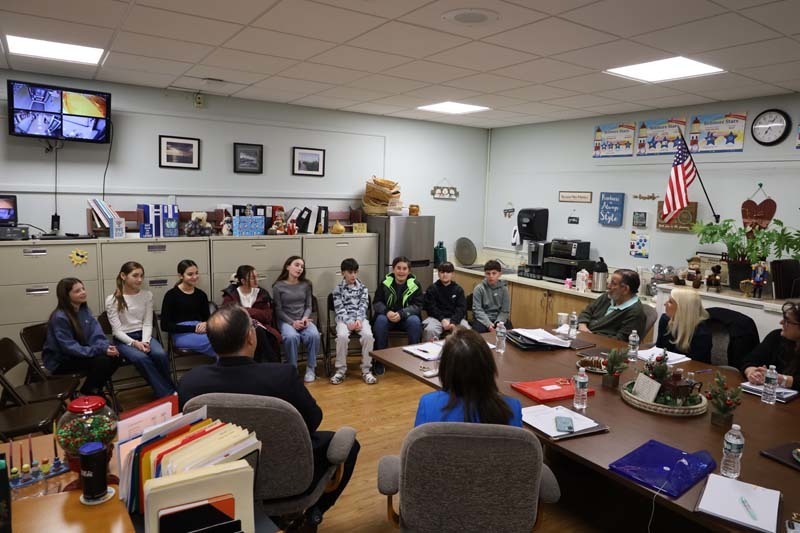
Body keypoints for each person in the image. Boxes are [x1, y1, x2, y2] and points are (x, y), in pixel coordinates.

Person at [177, 305, 360, 529]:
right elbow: (313, 420)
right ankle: (313, 514)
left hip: (221, 480)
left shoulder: (190, 383)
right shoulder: (281, 376)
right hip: (288, 475)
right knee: (349, 445)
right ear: (250, 337)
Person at [414, 328, 521, 426]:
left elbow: (418, 441)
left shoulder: (428, 404)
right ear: (488, 366)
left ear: (445, 368)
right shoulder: (512, 408)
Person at [105, 261, 175, 398]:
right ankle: (169, 394)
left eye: (141, 276)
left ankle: (169, 390)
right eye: (135, 275)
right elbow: (117, 331)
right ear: (123, 276)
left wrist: (145, 341)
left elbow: (148, 323)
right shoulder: (112, 299)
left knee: (160, 354)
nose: (140, 279)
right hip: (124, 339)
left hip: (144, 335)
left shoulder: (147, 295)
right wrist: (134, 343)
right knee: (140, 358)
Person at [43, 277, 120, 395]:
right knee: (102, 361)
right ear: (66, 295)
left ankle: (92, 389)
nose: (83, 292)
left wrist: (105, 346)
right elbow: (69, 347)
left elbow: (96, 333)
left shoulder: (84, 310)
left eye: (83, 289)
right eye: (77, 291)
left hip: (81, 353)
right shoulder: (60, 317)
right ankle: (90, 391)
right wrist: (100, 350)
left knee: (116, 356)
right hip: (62, 360)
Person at [273, 255, 321, 382]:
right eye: (297, 265)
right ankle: (292, 369)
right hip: (286, 321)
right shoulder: (278, 286)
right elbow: (278, 310)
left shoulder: (306, 285)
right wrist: (292, 322)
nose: (300, 268)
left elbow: (309, 306)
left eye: (302, 266)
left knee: (314, 335)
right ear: (287, 267)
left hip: (303, 319)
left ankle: (311, 368)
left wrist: (305, 318)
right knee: (291, 337)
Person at [372, 256, 423, 374]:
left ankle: (412, 359)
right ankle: (380, 360)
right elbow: (377, 302)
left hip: (406, 318)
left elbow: (418, 305)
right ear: (393, 269)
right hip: (388, 317)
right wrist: (387, 312)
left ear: (409, 271)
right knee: (380, 321)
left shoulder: (416, 284)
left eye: (404, 269)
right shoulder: (385, 282)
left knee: (415, 321)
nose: (401, 271)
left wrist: (402, 313)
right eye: (398, 268)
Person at [330, 258, 376, 385]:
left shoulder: (363, 288)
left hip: (360, 319)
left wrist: (359, 320)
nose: (353, 275)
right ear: (343, 273)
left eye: (355, 272)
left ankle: (366, 370)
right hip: (344, 320)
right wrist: (349, 322)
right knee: (342, 336)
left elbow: (364, 306)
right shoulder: (337, 290)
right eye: (350, 272)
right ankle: (340, 371)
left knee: (368, 336)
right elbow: (339, 309)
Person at [222, 265, 281, 363]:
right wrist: (252, 314)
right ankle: (273, 363)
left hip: (262, 327)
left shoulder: (262, 293)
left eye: (257, 277)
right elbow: (228, 314)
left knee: (258, 331)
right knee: (256, 331)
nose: (257, 280)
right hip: (239, 329)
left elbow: (267, 316)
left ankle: (263, 364)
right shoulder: (231, 294)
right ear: (243, 281)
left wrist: (246, 311)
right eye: (253, 278)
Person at [160, 259, 216, 358]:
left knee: (224, 339)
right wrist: (193, 328)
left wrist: (206, 323)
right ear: (181, 276)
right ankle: (226, 365)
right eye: (190, 274)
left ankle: (223, 365)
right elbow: (164, 325)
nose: (195, 277)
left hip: (201, 331)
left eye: (196, 273)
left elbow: (207, 318)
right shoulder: (171, 295)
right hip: (181, 334)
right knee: (220, 342)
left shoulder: (201, 295)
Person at [742, 301, 799, 391]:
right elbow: (749, 361)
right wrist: (752, 373)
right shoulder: (776, 336)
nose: (781, 322)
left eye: (787, 321)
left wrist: (778, 378)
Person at [577, 269, 647, 340]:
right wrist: (582, 325)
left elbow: (621, 341)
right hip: (583, 335)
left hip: (599, 343)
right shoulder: (608, 296)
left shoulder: (635, 313)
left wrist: (590, 336)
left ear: (625, 289)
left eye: (614, 284)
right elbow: (587, 311)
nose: (608, 286)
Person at [655, 287, 712, 363]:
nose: (665, 304)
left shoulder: (702, 334)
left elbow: (694, 364)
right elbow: (659, 349)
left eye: (670, 302)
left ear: (682, 308)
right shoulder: (665, 320)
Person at [422, 261, 470, 341]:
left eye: (448, 272)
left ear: (453, 274)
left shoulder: (458, 290)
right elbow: (431, 308)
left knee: (467, 329)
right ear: (438, 273)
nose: (445, 274)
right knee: (430, 330)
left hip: (455, 319)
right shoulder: (432, 289)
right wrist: (442, 319)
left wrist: (453, 322)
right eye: (442, 272)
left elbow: (461, 308)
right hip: (436, 318)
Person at [470, 260, 512, 333]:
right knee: (477, 333)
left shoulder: (504, 289)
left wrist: (498, 323)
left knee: (510, 331)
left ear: (500, 274)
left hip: (499, 319)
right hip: (483, 320)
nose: (491, 276)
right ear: (485, 274)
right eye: (488, 273)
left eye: (494, 273)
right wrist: (488, 324)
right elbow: (477, 310)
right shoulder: (479, 289)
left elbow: (505, 310)